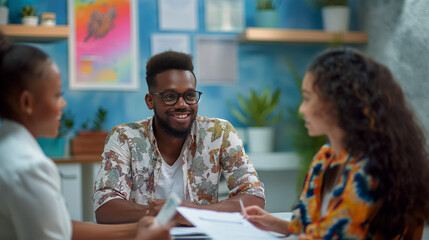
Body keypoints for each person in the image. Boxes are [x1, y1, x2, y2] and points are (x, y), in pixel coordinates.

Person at [244, 47, 429, 239]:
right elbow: (308, 225)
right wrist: (273, 222)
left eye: (307, 99)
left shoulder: (368, 170)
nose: (301, 110)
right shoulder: (326, 157)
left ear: (337, 102)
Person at [0, 32, 171, 240]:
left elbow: (57, 224)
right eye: (57, 95)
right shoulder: (30, 168)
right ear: (27, 102)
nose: (63, 104)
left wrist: (134, 230)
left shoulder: (8, 150)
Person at [93, 50, 265, 224]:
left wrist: (192, 212)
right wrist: (164, 213)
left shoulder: (219, 133)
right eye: (170, 97)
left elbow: (253, 195)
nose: (182, 104)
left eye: (190, 95)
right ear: (150, 101)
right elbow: (105, 207)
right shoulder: (125, 137)